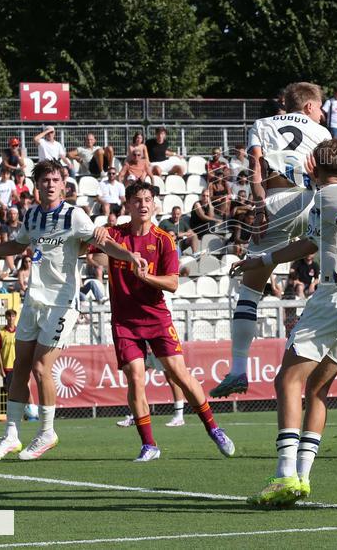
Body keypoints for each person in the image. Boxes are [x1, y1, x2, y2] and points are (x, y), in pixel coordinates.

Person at [232, 139, 337, 506]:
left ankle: (285, 473)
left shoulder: (329, 195)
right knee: (317, 389)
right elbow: (311, 242)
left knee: (287, 379)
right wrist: (264, 258)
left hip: (335, 297)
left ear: (312, 167)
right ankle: (301, 477)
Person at [0, 159, 146, 461]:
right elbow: (17, 246)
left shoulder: (74, 215)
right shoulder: (31, 216)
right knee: (20, 368)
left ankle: (47, 432)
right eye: (45, 180)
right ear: (37, 185)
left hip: (63, 302)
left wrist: (130, 256)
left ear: (63, 183)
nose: (51, 184)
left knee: (42, 367)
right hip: (34, 300)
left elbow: (103, 242)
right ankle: (12, 435)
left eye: (56, 179)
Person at [91, 181, 235, 462]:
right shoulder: (114, 234)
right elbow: (95, 254)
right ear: (128, 205)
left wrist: (145, 278)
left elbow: (172, 283)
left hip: (156, 317)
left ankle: (214, 428)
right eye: (137, 200)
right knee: (135, 377)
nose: (143, 204)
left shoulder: (164, 239)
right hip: (124, 320)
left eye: (148, 199)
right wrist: (96, 238)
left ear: (155, 205)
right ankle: (149, 445)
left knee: (180, 374)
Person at [210, 82, 331, 398]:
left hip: (276, 202)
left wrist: (260, 206)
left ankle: (238, 369)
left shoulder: (262, 124)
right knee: (336, 275)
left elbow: (256, 167)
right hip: (312, 201)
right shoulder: (322, 132)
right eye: (319, 106)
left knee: (250, 290)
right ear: (307, 107)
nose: (322, 112)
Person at [0, 310, 18, 393]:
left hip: (18, 366)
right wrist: (1, 368)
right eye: (9, 316)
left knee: (19, 392)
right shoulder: (1, 333)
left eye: (12, 316)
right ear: (6, 317)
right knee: (9, 393)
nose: (11, 318)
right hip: (7, 368)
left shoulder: (19, 332)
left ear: (15, 317)